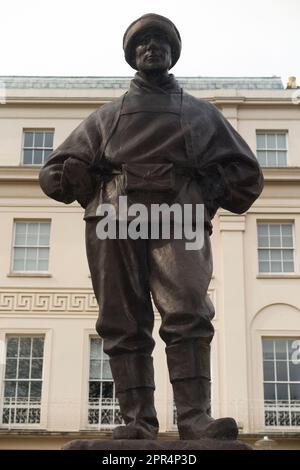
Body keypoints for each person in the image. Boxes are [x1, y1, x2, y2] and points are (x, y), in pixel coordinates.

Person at [39, 13, 264, 440]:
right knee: (122, 320)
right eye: (143, 43)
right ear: (132, 55)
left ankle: (195, 417)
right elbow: (52, 175)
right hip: (113, 219)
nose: (152, 48)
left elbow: (246, 176)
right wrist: (75, 177)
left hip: (180, 217)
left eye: (161, 41)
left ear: (173, 53)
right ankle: (138, 420)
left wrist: (207, 194)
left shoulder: (201, 115)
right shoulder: (106, 117)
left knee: (188, 313)